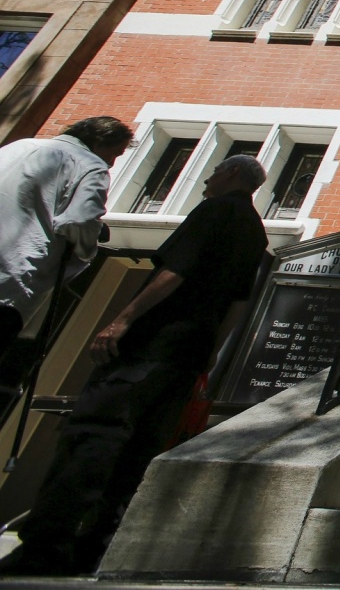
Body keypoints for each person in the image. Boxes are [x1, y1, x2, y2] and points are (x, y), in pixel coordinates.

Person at [0, 153, 269, 577]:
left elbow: (175, 271)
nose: (208, 178)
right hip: (188, 355)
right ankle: (97, 545)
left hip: (151, 343)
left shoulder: (213, 210)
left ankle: (48, 544)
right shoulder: (255, 232)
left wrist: (122, 320)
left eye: (215, 171)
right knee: (139, 451)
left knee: (94, 434)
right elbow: (239, 300)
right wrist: (212, 353)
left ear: (232, 174)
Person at [0, 116, 133, 359]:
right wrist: (89, 243)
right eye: (115, 153)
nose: (112, 163)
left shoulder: (17, 146)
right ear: (100, 141)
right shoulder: (91, 166)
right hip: (9, 282)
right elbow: (79, 221)